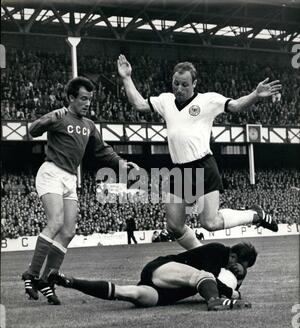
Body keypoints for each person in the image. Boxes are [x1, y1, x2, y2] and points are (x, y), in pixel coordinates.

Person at [117, 55, 281, 250]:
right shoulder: (165, 100)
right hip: (179, 170)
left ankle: (255, 215)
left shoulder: (207, 100)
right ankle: (201, 253)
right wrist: (126, 78)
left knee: (209, 223)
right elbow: (140, 104)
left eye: (184, 84)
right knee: (174, 226)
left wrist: (255, 94)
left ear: (194, 83)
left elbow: (236, 106)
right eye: (175, 84)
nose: (179, 88)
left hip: (202, 165)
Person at [22, 76, 139, 305]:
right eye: (83, 99)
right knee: (55, 223)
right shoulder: (60, 116)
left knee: (68, 231)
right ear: (71, 98)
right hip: (51, 172)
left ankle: (47, 279)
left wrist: (122, 164)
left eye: (90, 100)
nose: (87, 103)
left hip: (69, 177)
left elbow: (103, 151)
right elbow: (32, 131)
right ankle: (32, 274)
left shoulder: (89, 125)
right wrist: (47, 118)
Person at [48, 241, 257, 311]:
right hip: (163, 267)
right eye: (239, 265)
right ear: (233, 256)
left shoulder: (225, 268)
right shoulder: (219, 251)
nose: (237, 270)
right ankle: (215, 302)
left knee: (127, 292)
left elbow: (216, 281)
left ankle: (69, 281)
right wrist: (231, 293)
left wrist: (237, 284)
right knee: (202, 276)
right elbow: (209, 278)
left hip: (164, 292)